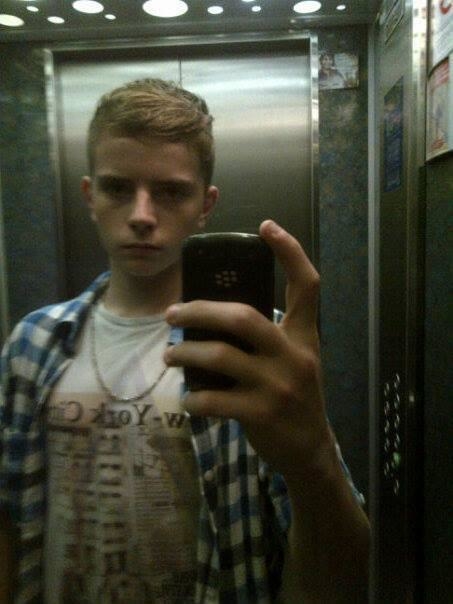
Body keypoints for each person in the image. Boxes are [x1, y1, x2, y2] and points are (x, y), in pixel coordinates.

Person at [0, 78, 370, 603]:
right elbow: (9, 526)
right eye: (117, 188)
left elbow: (345, 576)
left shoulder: (260, 346)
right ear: (89, 196)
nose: (141, 216)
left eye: (171, 191)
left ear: (205, 204)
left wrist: (314, 459)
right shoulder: (32, 344)